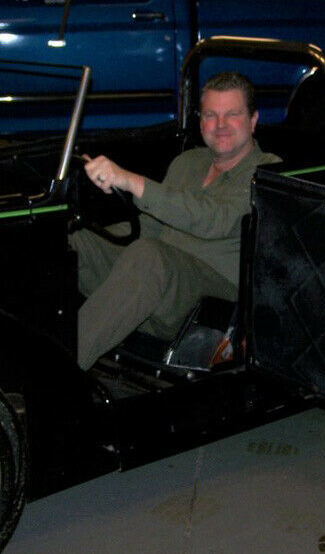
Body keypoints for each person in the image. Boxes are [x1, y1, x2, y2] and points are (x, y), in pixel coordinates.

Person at [70, 71, 281, 370]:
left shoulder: (266, 172)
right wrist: (92, 235)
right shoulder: (188, 162)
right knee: (72, 241)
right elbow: (147, 228)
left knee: (149, 257)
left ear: (253, 120)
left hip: (212, 301)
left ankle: (60, 370)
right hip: (157, 277)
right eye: (210, 115)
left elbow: (214, 218)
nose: (220, 126)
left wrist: (130, 181)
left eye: (232, 114)